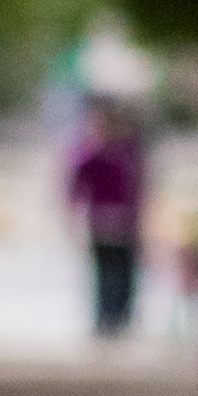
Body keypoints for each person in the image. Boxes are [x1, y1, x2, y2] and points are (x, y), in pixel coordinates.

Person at [65, 102, 148, 338]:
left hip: (120, 221)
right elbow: (76, 189)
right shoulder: (98, 155)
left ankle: (116, 318)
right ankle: (108, 318)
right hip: (105, 220)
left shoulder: (126, 153)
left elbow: (139, 190)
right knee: (109, 272)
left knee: (121, 272)